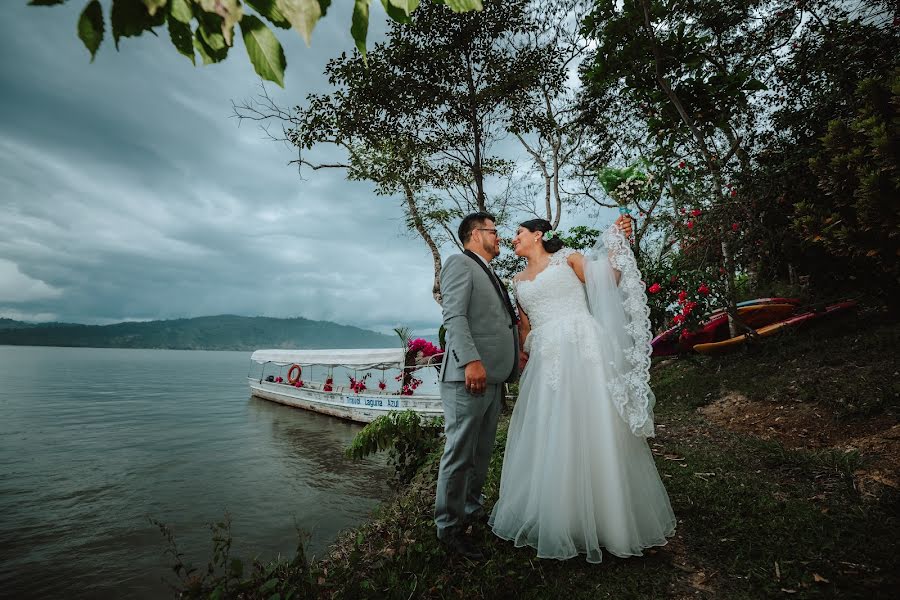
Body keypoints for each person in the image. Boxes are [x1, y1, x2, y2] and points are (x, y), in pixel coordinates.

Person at [489, 216, 676, 563]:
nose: (513, 239)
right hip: (549, 359)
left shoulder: (569, 258)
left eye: (518, 233)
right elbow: (526, 331)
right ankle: (562, 517)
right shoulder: (516, 282)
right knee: (552, 429)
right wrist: (535, 343)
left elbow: (607, 280)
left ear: (538, 235)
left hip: (584, 346)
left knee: (596, 424)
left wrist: (617, 241)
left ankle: (613, 521)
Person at [435, 211, 520, 560]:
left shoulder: (488, 271)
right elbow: (453, 315)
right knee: (459, 453)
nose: (499, 237)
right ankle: (448, 528)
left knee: (481, 453)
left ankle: (472, 511)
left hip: (492, 380)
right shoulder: (459, 264)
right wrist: (471, 360)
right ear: (474, 234)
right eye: (493, 231)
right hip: (467, 377)